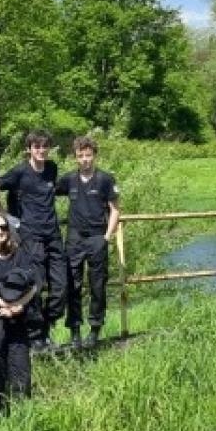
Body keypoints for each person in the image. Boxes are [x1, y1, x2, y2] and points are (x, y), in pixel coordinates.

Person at [0, 130, 66, 350]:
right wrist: (8, 220)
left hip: (53, 233)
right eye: (37, 147)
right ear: (29, 149)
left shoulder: (52, 168)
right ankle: (36, 335)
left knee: (61, 285)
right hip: (30, 235)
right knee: (36, 285)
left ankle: (48, 326)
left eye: (45, 146)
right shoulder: (19, 172)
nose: (41, 151)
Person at [56, 135, 120, 348]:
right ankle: (74, 330)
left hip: (96, 237)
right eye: (80, 155)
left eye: (88, 155)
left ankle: (94, 329)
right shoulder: (68, 180)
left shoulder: (105, 179)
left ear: (94, 156)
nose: (85, 159)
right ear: (75, 157)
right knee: (72, 285)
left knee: (97, 285)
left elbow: (115, 210)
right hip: (74, 237)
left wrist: (107, 237)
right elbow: (45, 194)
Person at [0, 212, 39, 411]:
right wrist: (0, 303)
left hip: (17, 318)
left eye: (3, 227)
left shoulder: (18, 254)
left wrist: (18, 306)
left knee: (20, 369)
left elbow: (34, 285)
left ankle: (22, 414)